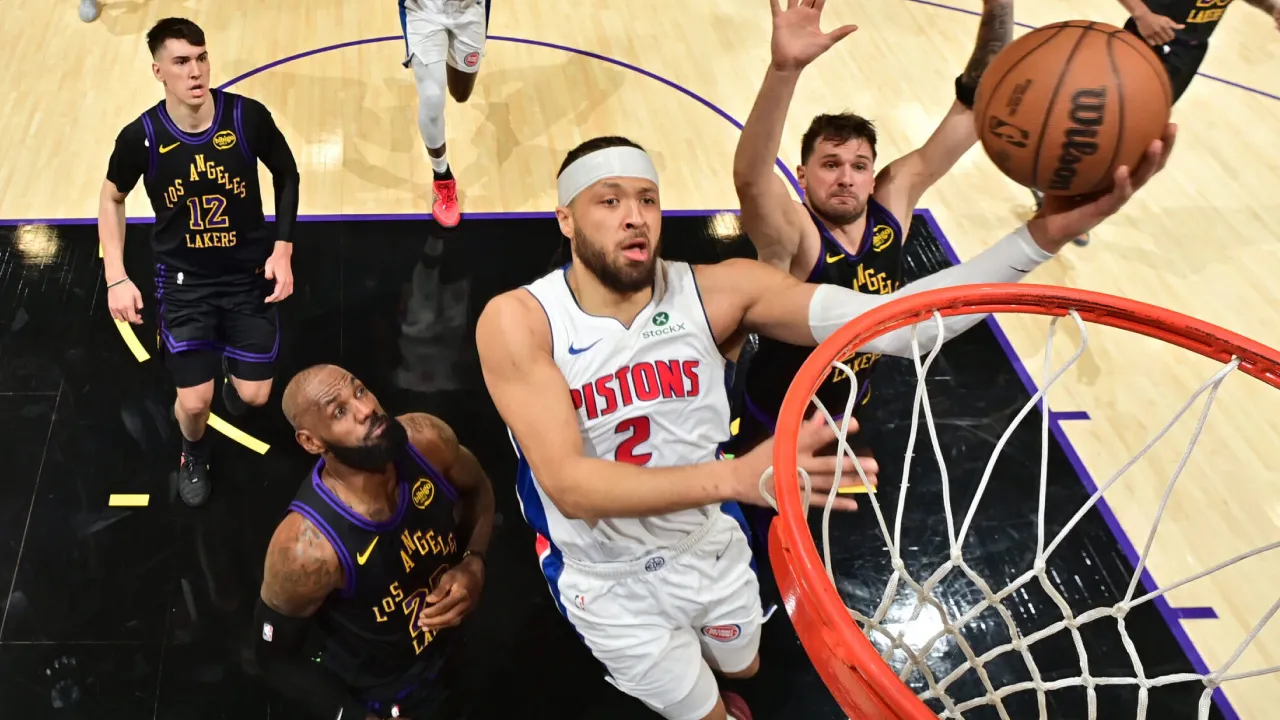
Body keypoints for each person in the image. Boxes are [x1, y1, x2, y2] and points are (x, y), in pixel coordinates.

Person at [475, 130, 1174, 720]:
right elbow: (570, 485)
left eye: (648, 199)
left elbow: (896, 327)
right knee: (700, 710)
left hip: (704, 542)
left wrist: (1041, 237)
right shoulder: (521, 319)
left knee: (744, 662)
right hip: (608, 578)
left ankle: (730, 681)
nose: (636, 217)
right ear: (565, 218)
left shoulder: (721, 291)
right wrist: (738, 478)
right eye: (610, 201)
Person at [730, 0, 1014, 457]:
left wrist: (999, 11)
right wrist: (784, 71)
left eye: (859, 166)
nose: (846, 177)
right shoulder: (794, 233)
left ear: (873, 173)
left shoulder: (890, 209)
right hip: (776, 421)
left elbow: (971, 111)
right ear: (801, 176)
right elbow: (751, 178)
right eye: (830, 165)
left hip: (848, 407)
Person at [100, 17, 300, 508]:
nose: (196, 71)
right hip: (184, 282)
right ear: (158, 71)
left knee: (253, 398)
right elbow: (112, 198)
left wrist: (283, 248)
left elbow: (288, 174)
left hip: (248, 275)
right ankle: (192, 451)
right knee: (194, 401)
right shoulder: (141, 137)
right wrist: (116, 277)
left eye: (202, 58)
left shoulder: (246, 117)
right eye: (182, 62)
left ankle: (234, 374)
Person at [254, 364, 495, 720]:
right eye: (339, 412)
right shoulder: (306, 549)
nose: (366, 409)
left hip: (457, 646)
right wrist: (352, 716)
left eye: (360, 391)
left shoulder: (427, 441)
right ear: (311, 441)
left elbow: (480, 490)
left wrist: (473, 562)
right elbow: (272, 655)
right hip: (384, 693)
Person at [400, 0, 490, 228]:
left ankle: (447, 51)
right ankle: (442, 178)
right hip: (422, 9)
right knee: (432, 98)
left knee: (461, 93)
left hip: (469, 9)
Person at [1119, 0, 1279, 105]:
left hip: (1190, 50)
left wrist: (1272, 7)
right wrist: (1141, 14)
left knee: (1147, 127)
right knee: (1112, 111)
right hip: (1150, 36)